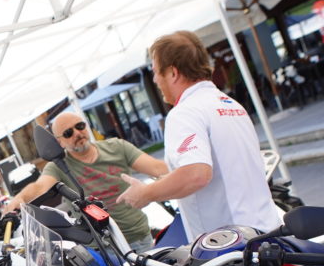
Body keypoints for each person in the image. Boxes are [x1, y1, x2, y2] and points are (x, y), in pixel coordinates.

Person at [116, 30, 280, 241]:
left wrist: (146, 194)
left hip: (233, 242)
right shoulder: (229, 103)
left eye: (156, 72)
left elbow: (196, 174)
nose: (155, 79)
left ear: (173, 73)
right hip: (267, 229)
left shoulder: (184, 112)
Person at [4, 112, 168, 252]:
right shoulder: (58, 166)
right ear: (59, 142)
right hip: (102, 248)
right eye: (68, 133)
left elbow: (157, 168)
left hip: (138, 236)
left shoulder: (117, 147)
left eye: (80, 126)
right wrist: (20, 199)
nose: (77, 133)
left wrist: (179, 171)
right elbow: (40, 186)